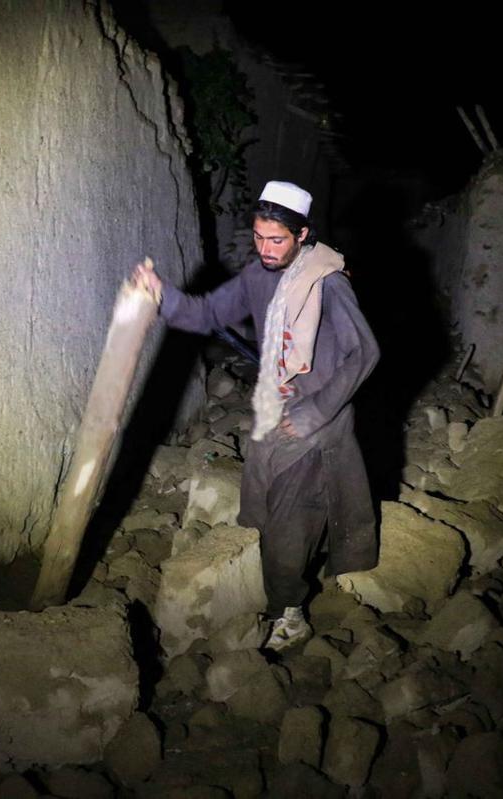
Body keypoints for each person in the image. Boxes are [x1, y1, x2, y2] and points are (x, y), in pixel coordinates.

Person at [132, 180, 380, 651]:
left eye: (277, 240)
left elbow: (364, 353)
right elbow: (207, 313)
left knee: (291, 519)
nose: (266, 249)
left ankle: (290, 613)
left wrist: (314, 411)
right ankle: (277, 574)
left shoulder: (328, 283)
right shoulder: (257, 276)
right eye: (259, 238)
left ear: (303, 234)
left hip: (314, 423)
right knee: (260, 504)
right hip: (273, 411)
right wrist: (161, 294)